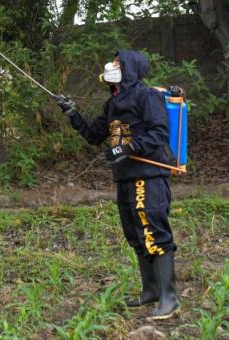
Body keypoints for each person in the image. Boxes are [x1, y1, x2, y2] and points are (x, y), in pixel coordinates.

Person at [55, 50, 179, 320]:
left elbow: (159, 132)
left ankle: (169, 299)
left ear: (131, 69)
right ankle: (150, 291)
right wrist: (73, 114)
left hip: (148, 175)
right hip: (124, 177)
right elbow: (94, 135)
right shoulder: (112, 103)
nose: (111, 66)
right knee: (134, 234)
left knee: (154, 233)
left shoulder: (147, 96)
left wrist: (128, 147)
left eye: (118, 63)